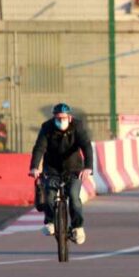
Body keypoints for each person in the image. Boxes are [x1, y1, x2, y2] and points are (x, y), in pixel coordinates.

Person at [29, 103, 93, 245]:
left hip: (74, 168)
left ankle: (77, 227)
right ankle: (50, 221)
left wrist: (88, 167)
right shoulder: (47, 127)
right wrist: (34, 167)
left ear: (69, 117)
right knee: (49, 195)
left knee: (73, 197)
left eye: (63, 118)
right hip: (52, 168)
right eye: (58, 118)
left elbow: (86, 146)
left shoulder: (77, 126)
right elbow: (39, 148)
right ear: (54, 118)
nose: (61, 120)